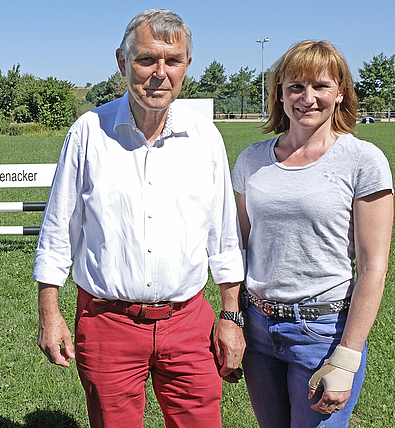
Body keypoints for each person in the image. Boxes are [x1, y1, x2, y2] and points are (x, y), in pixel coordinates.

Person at [33, 9, 246, 428]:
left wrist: (231, 316)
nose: (159, 74)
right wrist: (49, 313)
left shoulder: (205, 138)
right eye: (146, 59)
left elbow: (224, 237)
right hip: (107, 323)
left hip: (188, 323)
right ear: (122, 61)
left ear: (187, 66)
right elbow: (58, 229)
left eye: (173, 61)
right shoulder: (88, 133)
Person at [231, 40, 394, 428]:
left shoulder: (362, 160)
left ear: (340, 94)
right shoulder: (252, 159)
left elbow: (374, 267)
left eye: (321, 86)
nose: (308, 98)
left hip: (322, 333)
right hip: (258, 329)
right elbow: (236, 247)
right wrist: (233, 320)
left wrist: (347, 356)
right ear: (280, 95)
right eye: (295, 87)